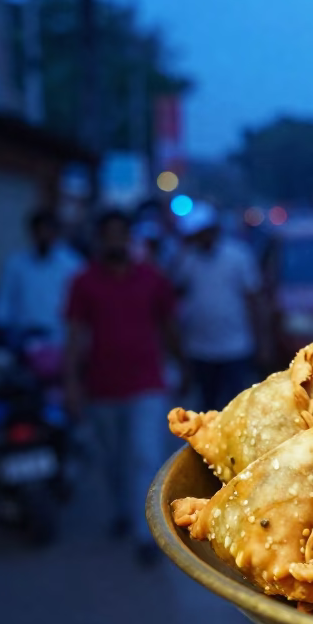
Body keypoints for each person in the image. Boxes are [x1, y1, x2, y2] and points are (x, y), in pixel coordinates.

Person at [65, 210, 183, 565]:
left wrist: (183, 364)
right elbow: (74, 336)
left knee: (143, 456)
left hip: (146, 383)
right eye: (108, 235)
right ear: (99, 241)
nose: (115, 242)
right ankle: (122, 510)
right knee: (113, 458)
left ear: (130, 239)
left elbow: (169, 327)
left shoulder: (152, 279)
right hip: (101, 386)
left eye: (121, 235)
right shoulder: (83, 282)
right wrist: (70, 382)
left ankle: (145, 534)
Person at [168, 201, 270, 411]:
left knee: (237, 403)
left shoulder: (238, 256)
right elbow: (175, 292)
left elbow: (253, 298)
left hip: (235, 346)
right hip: (200, 347)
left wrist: (261, 340)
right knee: (207, 405)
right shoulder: (187, 259)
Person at [0, 209, 84, 348]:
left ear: (55, 233)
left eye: (47, 230)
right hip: (21, 340)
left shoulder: (73, 265)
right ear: (31, 232)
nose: (43, 236)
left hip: (58, 341)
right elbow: (3, 302)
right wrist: (0, 330)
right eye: (39, 231)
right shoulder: (16, 263)